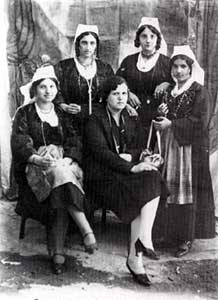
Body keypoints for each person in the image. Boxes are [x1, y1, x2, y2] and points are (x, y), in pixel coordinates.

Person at [11, 65, 97, 275]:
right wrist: (37, 159)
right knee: (60, 176)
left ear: (57, 89)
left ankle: (57, 251)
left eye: (51, 86)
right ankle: (85, 227)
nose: (48, 91)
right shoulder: (25, 113)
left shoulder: (62, 112)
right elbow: (20, 142)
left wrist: (68, 159)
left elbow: (74, 139)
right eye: (42, 87)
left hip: (65, 163)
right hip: (36, 165)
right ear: (35, 89)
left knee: (60, 177)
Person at [83, 76, 168, 286]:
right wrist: (132, 166)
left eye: (124, 93)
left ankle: (141, 243)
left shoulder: (130, 117)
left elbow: (138, 146)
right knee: (143, 191)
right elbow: (100, 153)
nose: (121, 98)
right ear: (106, 95)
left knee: (152, 176)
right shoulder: (94, 119)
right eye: (115, 93)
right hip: (101, 177)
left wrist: (140, 156)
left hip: (122, 172)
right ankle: (135, 256)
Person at [153, 45, 215, 257]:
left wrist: (171, 124)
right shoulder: (170, 90)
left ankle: (186, 238)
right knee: (169, 190)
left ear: (190, 69)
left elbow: (200, 121)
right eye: (175, 67)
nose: (178, 71)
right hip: (171, 147)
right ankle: (169, 234)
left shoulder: (200, 91)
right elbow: (168, 117)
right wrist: (161, 113)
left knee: (185, 192)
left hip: (189, 151)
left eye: (182, 67)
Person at [116, 17, 171, 147]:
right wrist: (127, 93)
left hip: (157, 114)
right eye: (144, 36)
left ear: (158, 39)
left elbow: (178, 84)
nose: (148, 40)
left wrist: (167, 83)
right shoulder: (129, 61)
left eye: (152, 36)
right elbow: (117, 82)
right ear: (138, 39)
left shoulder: (167, 62)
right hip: (132, 113)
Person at [54, 24, 114, 137]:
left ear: (96, 46)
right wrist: (63, 105)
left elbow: (112, 92)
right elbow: (53, 88)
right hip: (70, 121)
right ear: (78, 45)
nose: (88, 47)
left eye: (92, 43)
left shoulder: (104, 68)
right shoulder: (64, 67)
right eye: (84, 43)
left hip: (98, 120)